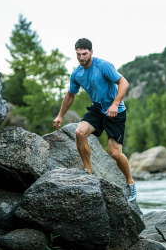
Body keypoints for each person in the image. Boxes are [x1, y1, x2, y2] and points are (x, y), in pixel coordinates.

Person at [53, 38, 137, 202]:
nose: (82, 57)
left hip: (115, 111)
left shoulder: (103, 66)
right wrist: (60, 115)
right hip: (98, 108)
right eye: (79, 54)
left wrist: (115, 104)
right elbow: (70, 94)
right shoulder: (77, 74)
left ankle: (130, 182)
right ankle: (88, 171)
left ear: (91, 52)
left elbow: (124, 83)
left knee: (114, 153)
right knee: (80, 132)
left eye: (85, 54)